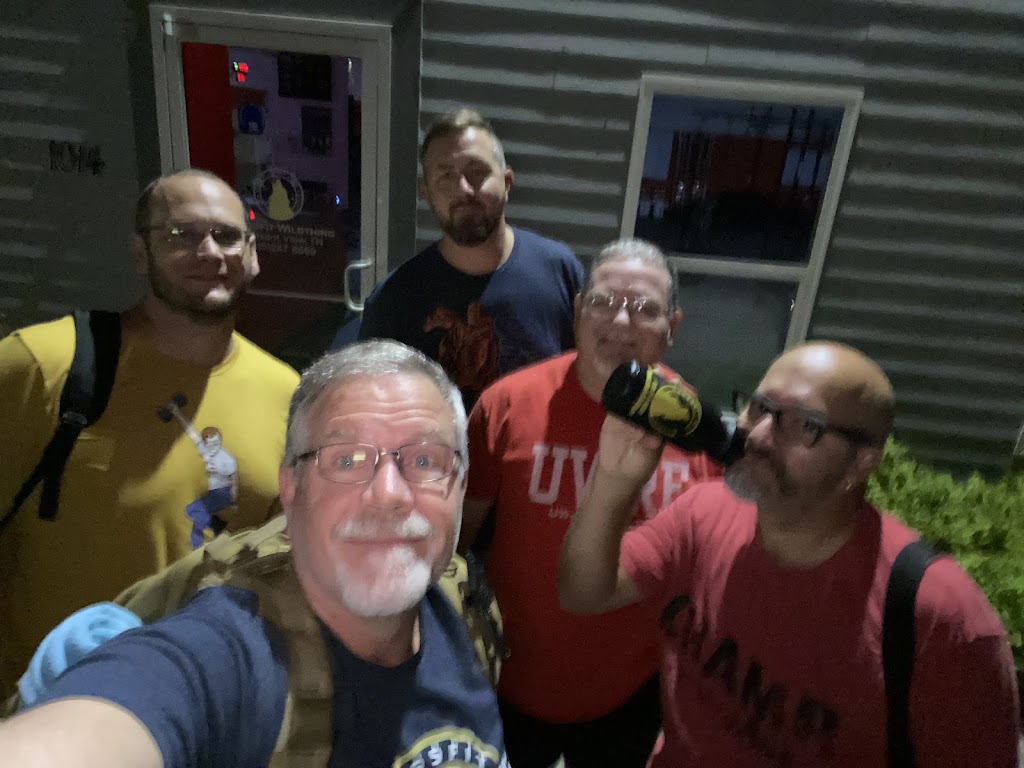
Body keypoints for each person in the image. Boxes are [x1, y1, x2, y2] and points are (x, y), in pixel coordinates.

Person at [0, 340, 510, 768]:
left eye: (425, 460)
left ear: (461, 487)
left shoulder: (460, 606)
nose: (389, 494)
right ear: (290, 489)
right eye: (346, 460)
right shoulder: (231, 656)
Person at [559, 341, 1021, 767]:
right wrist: (614, 479)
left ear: (861, 463)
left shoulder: (943, 621)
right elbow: (582, 592)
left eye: (804, 424)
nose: (759, 435)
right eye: (760, 407)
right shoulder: (704, 512)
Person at [0, 169, 299, 694]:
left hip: (196, 703)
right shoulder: (42, 364)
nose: (209, 251)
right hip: (48, 702)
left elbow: (273, 570)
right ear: (141, 252)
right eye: (182, 234)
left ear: (252, 255)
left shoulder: (287, 393)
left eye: (227, 236)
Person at [459, 238, 720, 767]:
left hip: (630, 696)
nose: (621, 322)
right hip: (507, 682)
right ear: (578, 310)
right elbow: (455, 542)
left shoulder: (691, 426)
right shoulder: (507, 404)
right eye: (604, 301)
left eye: (645, 309)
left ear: (672, 326)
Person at [357, 107, 583, 408]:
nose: (463, 189)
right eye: (445, 176)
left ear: (507, 182)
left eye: (477, 172)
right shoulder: (393, 301)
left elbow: (587, 383)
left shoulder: (561, 273)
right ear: (427, 193)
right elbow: (372, 409)